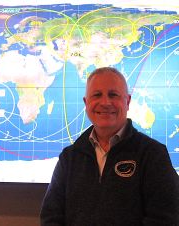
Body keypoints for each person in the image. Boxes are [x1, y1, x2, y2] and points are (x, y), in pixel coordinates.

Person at [40, 67, 179, 225]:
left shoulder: (153, 154)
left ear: (127, 101)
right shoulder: (70, 157)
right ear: (86, 103)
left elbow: (164, 219)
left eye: (113, 95)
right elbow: (51, 217)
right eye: (97, 95)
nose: (105, 102)